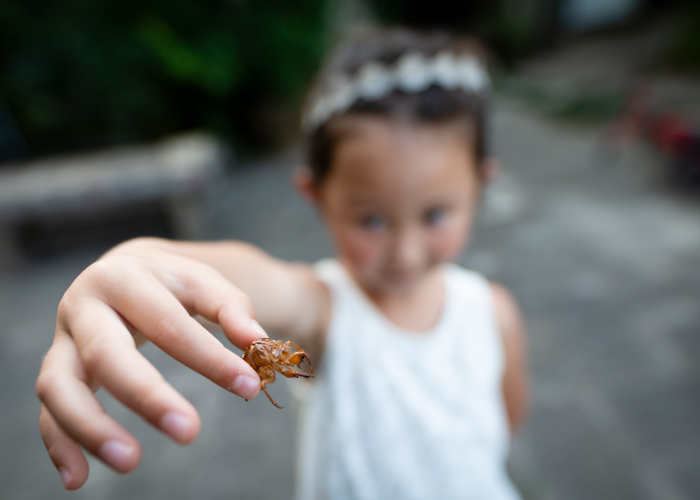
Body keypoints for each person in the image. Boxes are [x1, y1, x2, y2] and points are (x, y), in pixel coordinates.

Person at [36, 29, 529, 499]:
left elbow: (504, 422)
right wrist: (131, 269)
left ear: (481, 185)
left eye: (435, 214)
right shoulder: (325, 307)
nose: (405, 251)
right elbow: (253, 278)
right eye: (372, 220)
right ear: (316, 197)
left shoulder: (495, 312)